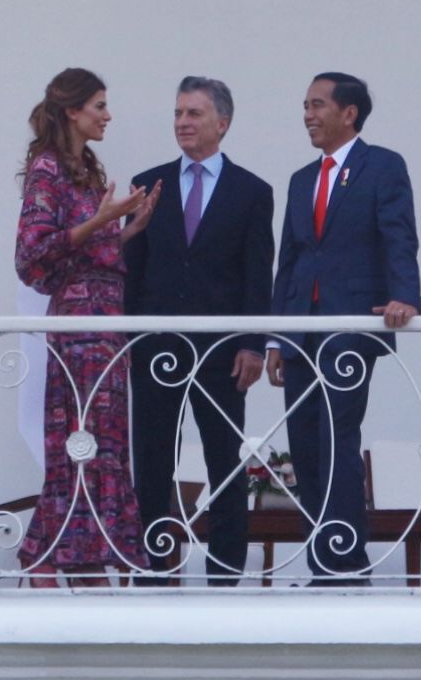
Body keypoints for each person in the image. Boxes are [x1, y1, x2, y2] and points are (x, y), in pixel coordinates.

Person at [266, 72, 421, 584]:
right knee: (304, 443)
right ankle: (322, 558)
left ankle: (345, 562)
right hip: (301, 331)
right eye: (304, 105)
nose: (307, 114)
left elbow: (399, 236)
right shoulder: (300, 179)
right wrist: (275, 336)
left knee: (338, 439)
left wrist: (405, 296)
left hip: (350, 326)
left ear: (349, 112)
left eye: (317, 104)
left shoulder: (381, 166)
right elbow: (287, 261)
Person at [14, 67, 161, 587]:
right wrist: (103, 220)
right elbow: (33, 257)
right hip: (78, 327)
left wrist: (129, 228)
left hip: (107, 323)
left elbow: (89, 255)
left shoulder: (88, 169)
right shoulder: (48, 169)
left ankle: (86, 557)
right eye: (99, 105)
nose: (107, 114)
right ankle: (49, 555)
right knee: (79, 442)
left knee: (105, 442)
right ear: (73, 110)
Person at [124, 76, 275, 585]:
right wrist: (128, 340)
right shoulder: (149, 184)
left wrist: (254, 345)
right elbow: (132, 269)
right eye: (178, 113)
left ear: (222, 123)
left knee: (225, 465)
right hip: (155, 349)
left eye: (193, 114)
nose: (182, 123)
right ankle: (153, 572)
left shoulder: (253, 192)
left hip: (223, 352)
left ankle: (225, 575)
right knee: (151, 462)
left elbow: (258, 275)